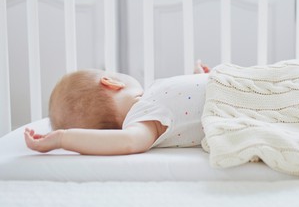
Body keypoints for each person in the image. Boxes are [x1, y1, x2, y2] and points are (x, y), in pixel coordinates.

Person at [24, 61, 211, 155]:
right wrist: (63, 139)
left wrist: (197, 78)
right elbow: (128, 141)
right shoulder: (143, 119)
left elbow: (183, 103)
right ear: (111, 82)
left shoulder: (149, 99)